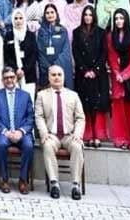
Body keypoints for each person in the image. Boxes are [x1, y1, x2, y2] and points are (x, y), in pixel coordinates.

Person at [35, 65, 85, 200]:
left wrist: (78, 134)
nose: (56, 77)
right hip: (52, 135)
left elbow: (80, 118)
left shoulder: (73, 95)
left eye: (59, 75)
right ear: (49, 77)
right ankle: (54, 183)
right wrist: (43, 133)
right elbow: (39, 116)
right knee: (47, 146)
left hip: (69, 135)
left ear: (63, 77)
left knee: (77, 147)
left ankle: (75, 185)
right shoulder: (41, 95)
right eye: (53, 75)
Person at [0, 67, 35, 194]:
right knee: (1, 144)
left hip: (22, 133)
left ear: (16, 78)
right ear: (2, 80)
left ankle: (23, 180)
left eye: (12, 77)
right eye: (6, 78)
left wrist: (21, 131)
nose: (9, 80)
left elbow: (31, 118)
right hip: (4, 133)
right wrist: (6, 132)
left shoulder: (25, 95)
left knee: (29, 145)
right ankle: (4, 180)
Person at [106, 8, 130, 150]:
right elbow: (111, 57)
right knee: (119, 109)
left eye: (121, 18)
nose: (118, 21)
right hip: (117, 79)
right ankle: (121, 139)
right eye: (116, 19)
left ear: (126, 19)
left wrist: (125, 75)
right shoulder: (111, 36)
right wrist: (117, 73)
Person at [72, 5, 109, 147]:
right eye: (85, 15)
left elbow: (104, 53)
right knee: (85, 104)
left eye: (90, 15)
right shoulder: (76, 32)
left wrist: (95, 70)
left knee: (97, 104)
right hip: (83, 75)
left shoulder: (101, 32)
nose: (88, 17)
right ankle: (87, 135)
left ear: (94, 16)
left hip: (98, 75)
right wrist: (84, 70)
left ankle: (97, 135)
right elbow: (75, 52)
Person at [37, 4, 74, 89]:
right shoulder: (41, 31)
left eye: (52, 12)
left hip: (61, 67)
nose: (50, 15)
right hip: (46, 69)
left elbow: (65, 50)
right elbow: (40, 51)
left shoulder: (62, 30)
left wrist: (55, 65)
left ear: (56, 14)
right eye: (47, 13)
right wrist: (48, 67)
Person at [4, 9, 38, 96]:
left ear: (24, 19)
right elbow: (7, 56)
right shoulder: (9, 36)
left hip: (29, 74)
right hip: (13, 74)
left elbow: (34, 55)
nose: (18, 21)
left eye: (20, 18)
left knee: (29, 99)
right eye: (16, 18)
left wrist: (23, 70)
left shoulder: (30, 35)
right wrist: (16, 69)